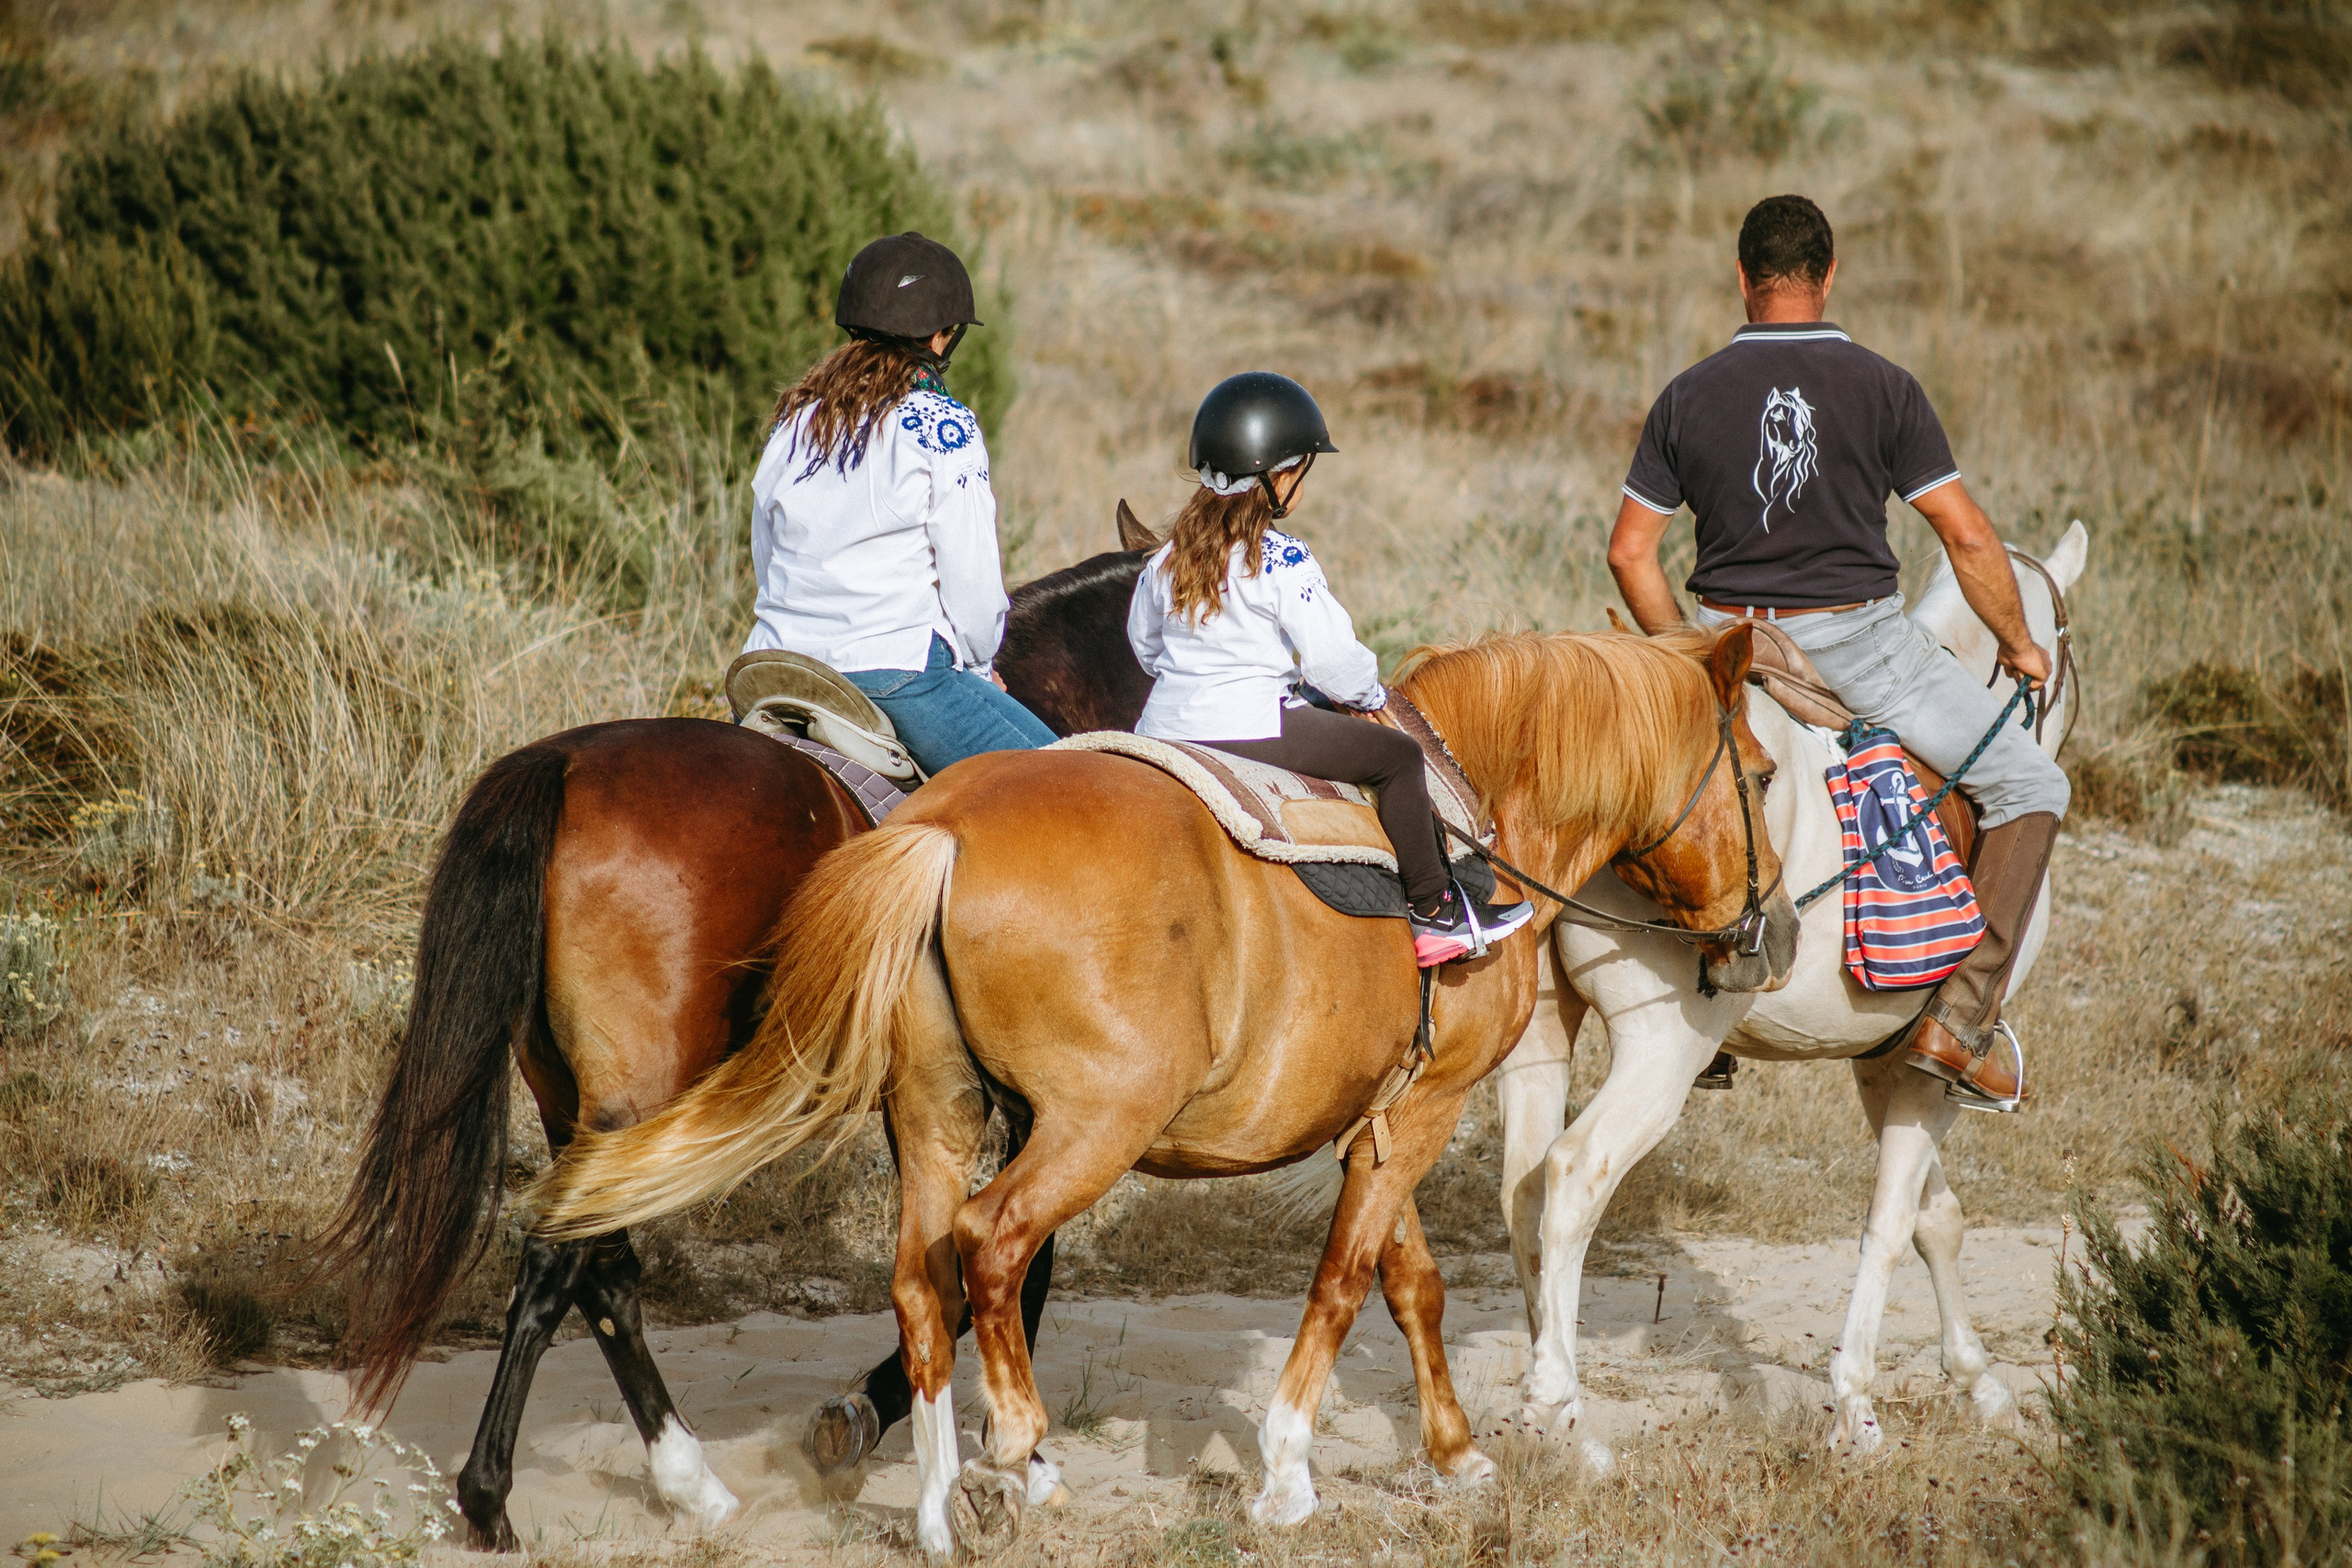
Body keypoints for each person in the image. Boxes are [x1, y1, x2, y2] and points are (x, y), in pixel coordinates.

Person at [1605, 194, 2067, 1111]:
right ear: (1829, 277)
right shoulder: (1884, 385)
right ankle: (1962, 1021)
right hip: (1858, 649)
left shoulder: (1687, 394)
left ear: (1742, 279)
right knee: (2031, 784)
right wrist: (2019, 643)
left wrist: (1690, 661)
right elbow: (1968, 541)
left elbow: (1629, 552)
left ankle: (1706, 995)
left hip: (1732, 641)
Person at [1128, 372, 1533, 967]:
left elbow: (1144, 647)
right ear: (1278, 474)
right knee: (1397, 760)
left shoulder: (1164, 559)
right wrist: (1366, 691)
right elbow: (1334, 661)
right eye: (1300, 470)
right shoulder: (1284, 557)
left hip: (1161, 728)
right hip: (1251, 725)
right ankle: (1434, 910)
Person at [744, 231, 1056, 775]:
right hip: (891, 674)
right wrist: (980, 667)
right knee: (1067, 788)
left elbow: (765, 556)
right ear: (940, 338)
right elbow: (974, 590)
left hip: (775, 669)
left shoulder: (794, 423)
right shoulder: (944, 426)